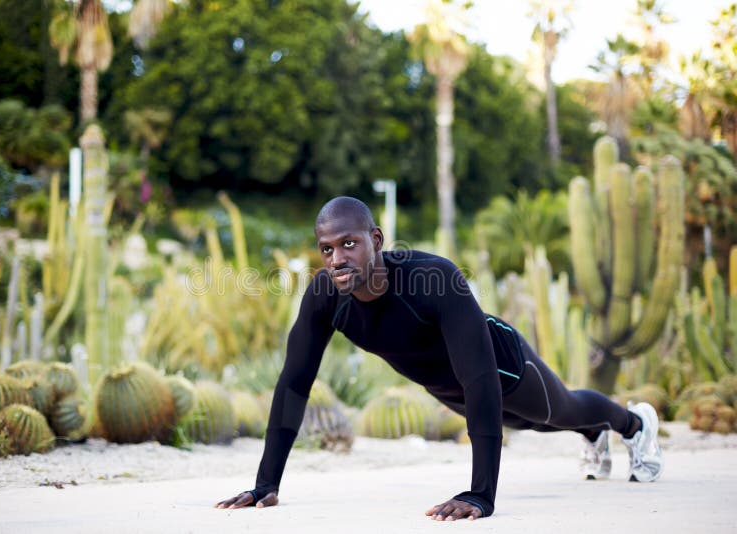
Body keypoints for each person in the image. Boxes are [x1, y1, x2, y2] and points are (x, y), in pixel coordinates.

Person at [215, 196, 664, 521]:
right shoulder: (324, 296)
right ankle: (595, 436)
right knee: (528, 424)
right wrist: (266, 484)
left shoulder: (433, 277)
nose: (337, 258)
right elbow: (294, 384)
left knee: (556, 411)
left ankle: (633, 426)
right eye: (327, 248)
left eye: (348, 243)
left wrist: (481, 495)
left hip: (498, 364)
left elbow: (480, 379)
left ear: (375, 239)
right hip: (445, 385)